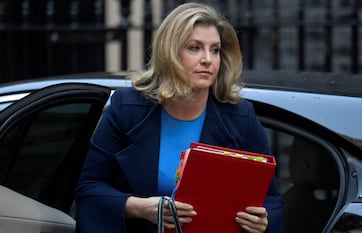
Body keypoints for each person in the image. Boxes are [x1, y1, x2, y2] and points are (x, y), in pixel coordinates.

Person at [75, 2, 283, 233]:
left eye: (215, 50)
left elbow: (271, 200)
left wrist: (263, 221)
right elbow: (89, 188)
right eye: (195, 48)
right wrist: (141, 208)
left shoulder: (240, 116)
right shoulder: (127, 109)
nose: (207, 59)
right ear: (170, 53)